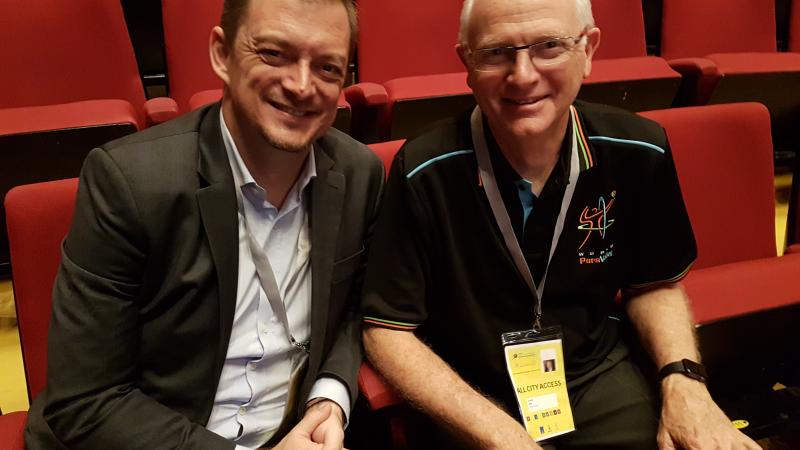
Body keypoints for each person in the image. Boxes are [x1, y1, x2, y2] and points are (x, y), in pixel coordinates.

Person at [360, 0, 761, 448]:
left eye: (549, 46)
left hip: (594, 373)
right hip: (468, 390)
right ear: (467, 64)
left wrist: (684, 381)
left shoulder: (638, 149)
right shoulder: (422, 169)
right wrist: (499, 435)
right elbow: (387, 330)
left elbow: (654, 284)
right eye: (496, 53)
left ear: (588, 50)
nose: (523, 75)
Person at [24, 0, 383, 448]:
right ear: (221, 54)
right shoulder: (129, 182)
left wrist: (328, 399)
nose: (301, 85)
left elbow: (351, 309)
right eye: (273, 54)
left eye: (328, 68)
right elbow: (86, 401)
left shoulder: (359, 173)